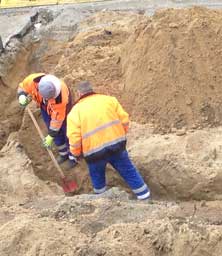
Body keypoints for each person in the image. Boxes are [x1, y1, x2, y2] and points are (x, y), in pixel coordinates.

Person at [67, 81, 150, 200]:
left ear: (79, 93)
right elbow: (125, 120)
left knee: (98, 180)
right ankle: (145, 198)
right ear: (92, 90)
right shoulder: (109, 100)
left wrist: (75, 154)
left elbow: (74, 138)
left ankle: (102, 203)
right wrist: (120, 135)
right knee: (130, 173)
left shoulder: (74, 112)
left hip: (93, 153)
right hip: (116, 146)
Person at [17, 73, 77, 168]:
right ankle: (63, 154)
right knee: (51, 127)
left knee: (66, 130)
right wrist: (22, 96)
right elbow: (22, 87)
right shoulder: (33, 81)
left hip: (62, 110)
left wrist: (50, 135)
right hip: (44, 106)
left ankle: (73, 157)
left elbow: (57, 120)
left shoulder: (60, 98)